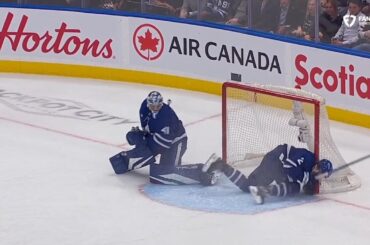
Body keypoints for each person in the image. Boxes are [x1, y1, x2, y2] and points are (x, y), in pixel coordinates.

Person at [110, 91, 218, 185]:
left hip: (176, 142)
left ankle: (205, 172)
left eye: (158, 106)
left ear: (162, 103)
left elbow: (163, 144)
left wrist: (143, 144)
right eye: (153, 106)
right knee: (159, 170)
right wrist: (141, 137)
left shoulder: (165, 116)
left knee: (168, 172)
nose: (155, 109)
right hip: (161, 140)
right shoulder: (144, 108)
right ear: (148, 104)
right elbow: (149, 129)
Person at [202, 144, 333, 204]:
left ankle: (221, 165)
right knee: (294, 187)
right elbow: (288, 166)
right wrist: (303, 178)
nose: (316, 172)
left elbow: (307, 187)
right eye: (318, 169)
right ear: (317, 164)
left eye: (320, 174)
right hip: (275, 160)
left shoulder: (312, 171)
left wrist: (309, 184)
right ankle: (263, 191)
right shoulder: (307, 157)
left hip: (277, 165)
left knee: (248, 186)